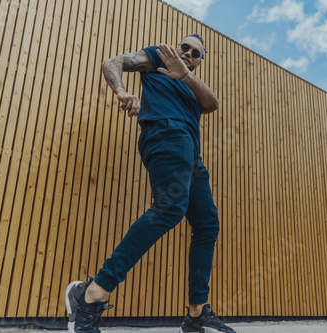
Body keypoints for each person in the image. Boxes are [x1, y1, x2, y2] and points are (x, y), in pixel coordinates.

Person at [65, 34, 236, 333]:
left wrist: (187, 76)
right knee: (169, 208)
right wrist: (121, 91)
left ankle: (196, 314)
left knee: (207, 223)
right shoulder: (157, 57)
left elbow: (212, 104)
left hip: (191, 154)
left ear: (198, 61)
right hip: (167, 136)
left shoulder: (191, 84)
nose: (187, 54)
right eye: (184, 47)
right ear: (175, 47)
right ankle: (92, 293)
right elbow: (112, 62)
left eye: (195, 54)